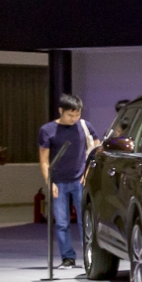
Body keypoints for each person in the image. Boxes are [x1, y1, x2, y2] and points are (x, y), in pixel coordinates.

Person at [37, 94, 98, 267]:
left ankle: (90, 256)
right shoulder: (47, 130)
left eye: (77, 114)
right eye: (70, 115)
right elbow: (44, 160)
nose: (74, 118)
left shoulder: (85, 126)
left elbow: (96, 149)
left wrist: (87, 173)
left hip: (80, 180)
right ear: (60, 111)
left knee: (85, 220)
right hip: (58, 182)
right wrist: (49, 182)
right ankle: (68, 257)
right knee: (62, 223)